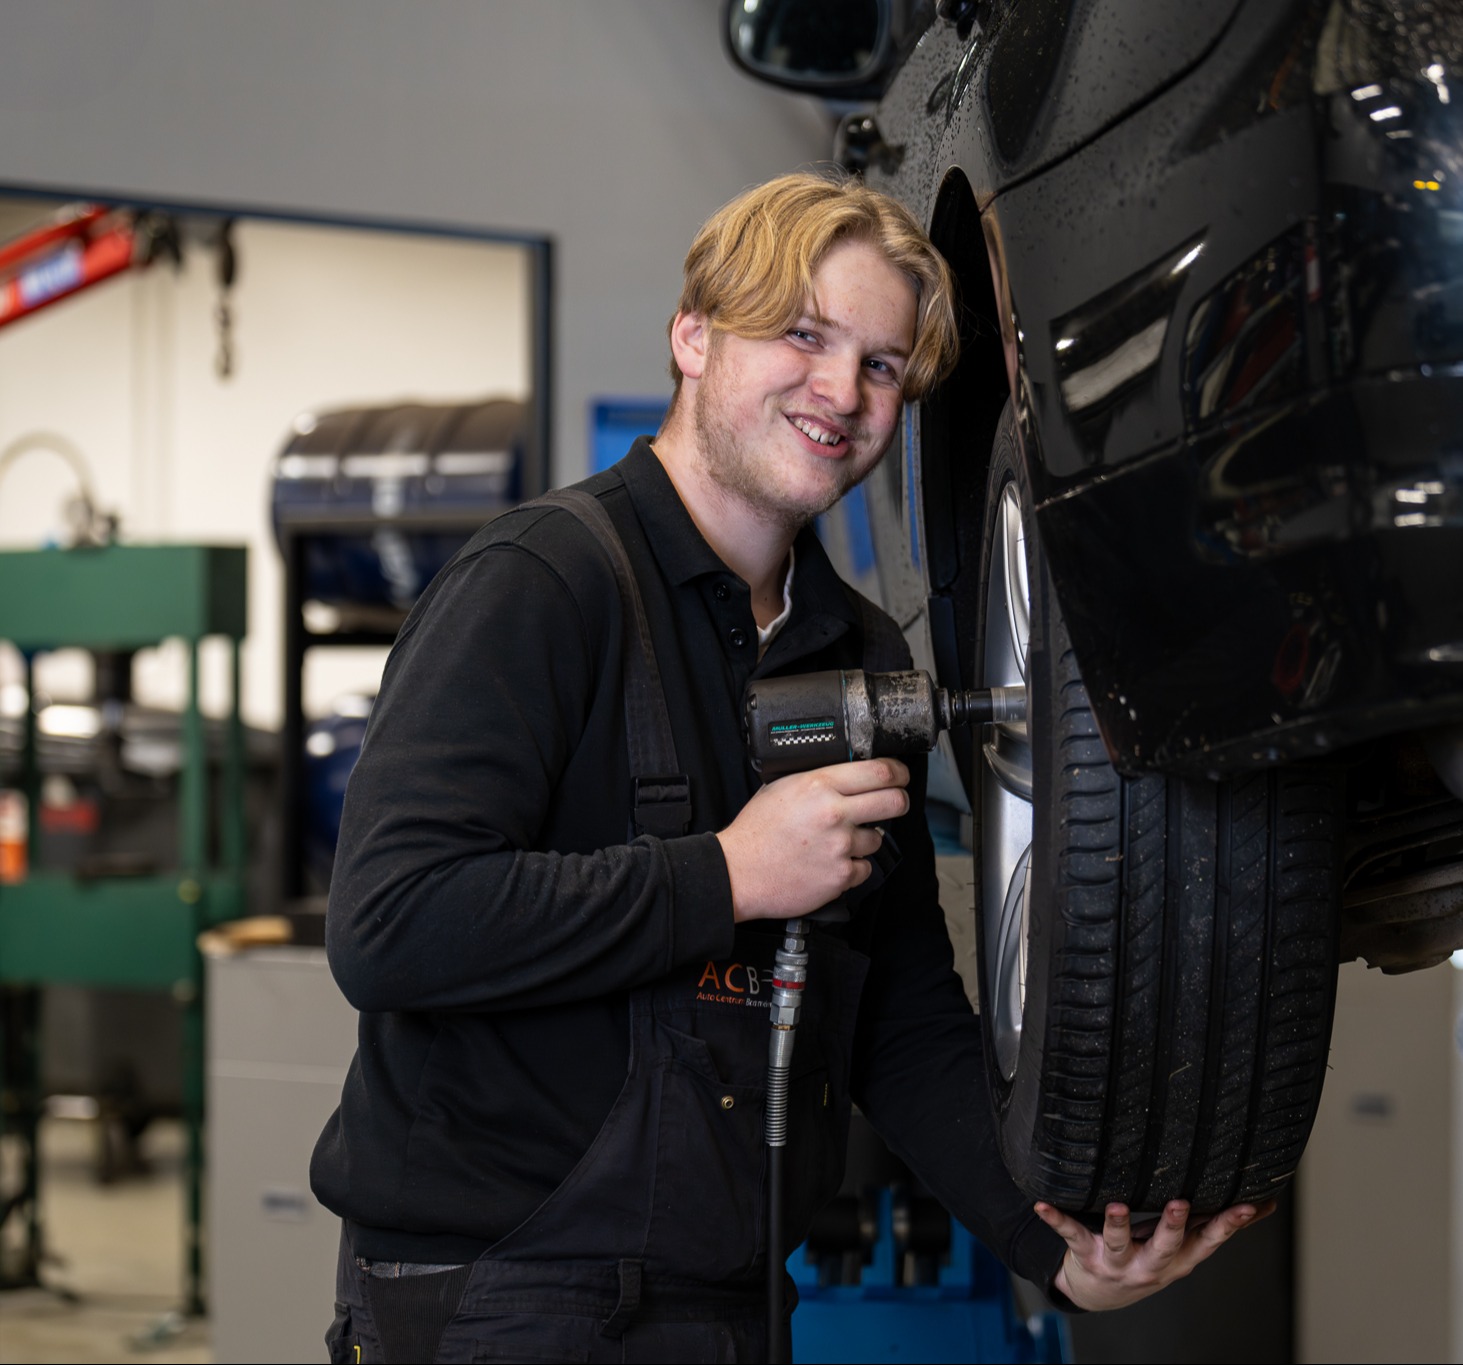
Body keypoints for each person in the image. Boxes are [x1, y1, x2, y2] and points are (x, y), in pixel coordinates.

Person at [310, 170, 1269, 1363]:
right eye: (802, 337)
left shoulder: (855, 652)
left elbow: (899, 1014)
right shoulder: (540, 587)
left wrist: (1049, 1244)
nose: (841, 393)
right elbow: (392, 923)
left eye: (879, 365)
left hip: (730, 1304)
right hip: (495, 1303)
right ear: (694, 335)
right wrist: (727, 874)